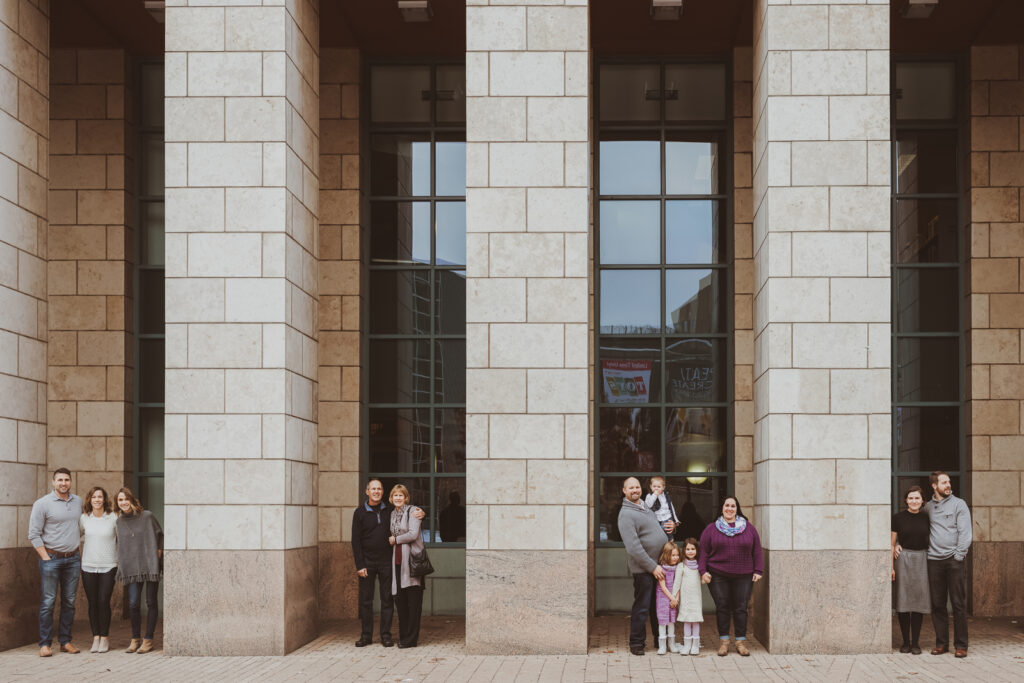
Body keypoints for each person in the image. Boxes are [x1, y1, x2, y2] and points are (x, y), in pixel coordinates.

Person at [352, 480, 425, 648]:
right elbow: (355, 541)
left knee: (387, 600)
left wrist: (423, 513)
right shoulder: (359, 513)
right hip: (367, 562)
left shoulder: (389, 511)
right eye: (373, 489)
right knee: (366, 601)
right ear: (367, 491)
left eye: (379, 489)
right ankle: (366, 635)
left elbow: (408, 514)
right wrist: (359, 564)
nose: (376, 491)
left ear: (383, 492)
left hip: (387, 561)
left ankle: (386, 635)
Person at [28, 467, 83, 657]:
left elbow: (79, 527)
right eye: (60, 480)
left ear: (70, 481)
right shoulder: (42, 504)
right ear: (53, 482)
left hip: (73, 559)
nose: (63, 483)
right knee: (48, 602)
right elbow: (33, 534)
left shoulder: (78, 501)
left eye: (66, 480)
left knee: (69, 602)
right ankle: (44, 644)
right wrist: (45, 557)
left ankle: (65, 641)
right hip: (51, 559)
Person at [699, 496, 762, 657]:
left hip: (744, 575)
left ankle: (740, 642)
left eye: (733, 506)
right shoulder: (711, 529)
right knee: (723, 607)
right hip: (718, 574)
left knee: (741, 608)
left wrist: (758, 570)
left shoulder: (749, 528)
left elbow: (756, 550)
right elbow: (703, 552)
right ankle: (724, 643)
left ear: (737, 508)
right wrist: (702, 571)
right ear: (722, 508)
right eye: (727, 505)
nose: (729, 508)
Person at [617, 476, 671, 656]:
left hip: (659, 566)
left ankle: (659, 639)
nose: (635, 490)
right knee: (642, 606)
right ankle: (636, 643)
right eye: (630, 488)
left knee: (658, 606)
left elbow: (654, 530)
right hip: (644, 569)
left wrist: (670, 528)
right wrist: (652, 567)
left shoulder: (645, 506)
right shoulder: (626, 514)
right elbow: (633, 548)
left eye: (637, 487)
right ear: (624, 491)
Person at [924, 471, 971, 658]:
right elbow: (919, 528)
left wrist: (958, 556)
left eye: (949, 481)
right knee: (938, 604)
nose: (948, 485)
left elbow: (965, 533)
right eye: (944, 482)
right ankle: (941, 644)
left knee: (958, 604)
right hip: (934, 561)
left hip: (954, 561)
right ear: (934, 486)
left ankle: (961, 646)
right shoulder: (927, 508)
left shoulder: (959, 504)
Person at [114, 487, 163, 654]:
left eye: (126, 499)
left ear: (132, 500)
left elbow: (160, 536)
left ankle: (148, 640)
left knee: (150, 602)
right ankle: (135, 639)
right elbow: (120, 545)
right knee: (133, 604)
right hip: (133, 568)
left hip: (150, 566)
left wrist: (156, 558)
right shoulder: (119, 522)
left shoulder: (147, 516)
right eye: (120, 500)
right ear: (117, 503)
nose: (123, 502)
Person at [891, 485, 930, 655]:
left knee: (918, 602)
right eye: (911, 498)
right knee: (903, 601)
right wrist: (891, 567)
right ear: (906, 500)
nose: (914, 501)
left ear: (922, 501)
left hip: (922, 559)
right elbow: (891, 544)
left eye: (917, 498)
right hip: (903, 559)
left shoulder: (927, 518)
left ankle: (915, 643)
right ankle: (905, 642)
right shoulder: (898, 518)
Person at [80, 486, 118, 653]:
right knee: (93, 603)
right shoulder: (84, 518)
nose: (97, 500)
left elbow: (122, 539)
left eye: (100, 497)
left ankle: (105, 637)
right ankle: (95, 637)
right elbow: (76, 535)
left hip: (108, 566)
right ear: (90, 499)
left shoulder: (113, 517)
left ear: (104, 499)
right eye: (94, 497)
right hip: (88, 565)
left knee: (103, 601)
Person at [388, 484, 425, 649]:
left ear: (406, 498)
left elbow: (413, 534)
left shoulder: (414, 511)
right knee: (400, 601)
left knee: (413, 603)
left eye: (400, 495)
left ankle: (411, 639)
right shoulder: (392, 514)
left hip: (411, 563)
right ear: (391, 498)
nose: (398, 498)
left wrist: (395, 539)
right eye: (395, 495)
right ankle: (403, 636)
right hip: (397, 562)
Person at [672, 537, 704, 656]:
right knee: (686, 621)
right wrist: (674, 597)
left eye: (693, 549)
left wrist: (707, 577)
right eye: (688, 549)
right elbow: (677, 583)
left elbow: (702, 580)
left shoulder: (700, 566)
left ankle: (695, 645)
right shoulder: (681, 566)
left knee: (695, 621)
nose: (690, 551)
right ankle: (687, 645)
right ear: (684, 550)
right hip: (685, 599)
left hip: (696, 598)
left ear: (697, 550)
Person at [654, 541, 683, 655]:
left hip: (674, 598)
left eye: (677, 555)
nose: (676, 558)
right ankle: (662, 646)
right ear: (666, 555)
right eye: (673, 555)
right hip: (663, 597)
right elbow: (663, 586)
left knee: (671, 621)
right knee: (662, 621)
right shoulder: (662, 569)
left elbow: (679, 584)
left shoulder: (678, 568)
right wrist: (672, 598)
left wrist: (676, 598)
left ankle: (671, 644)